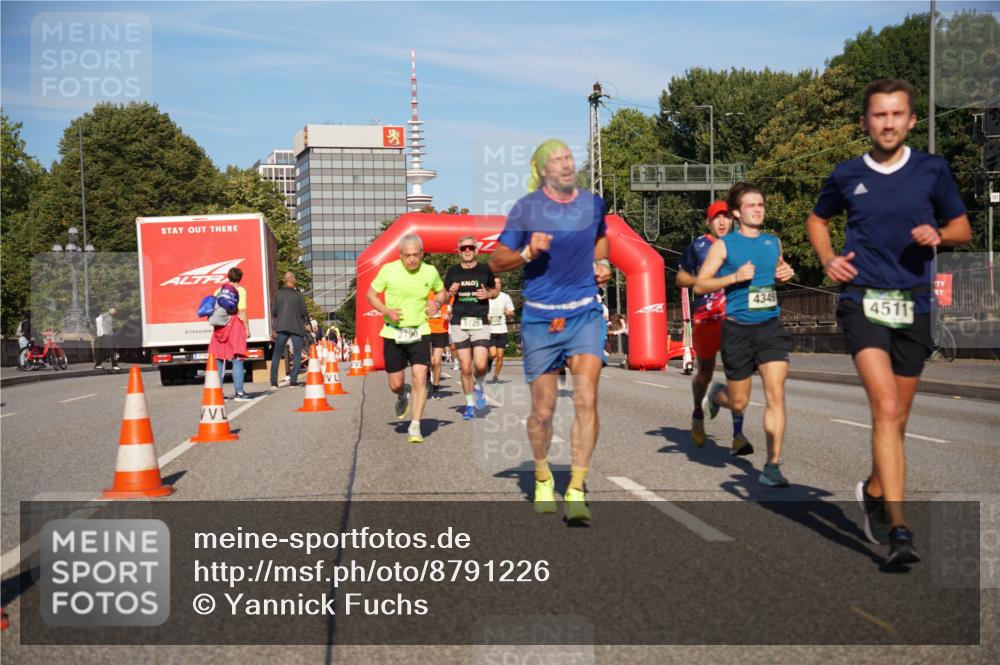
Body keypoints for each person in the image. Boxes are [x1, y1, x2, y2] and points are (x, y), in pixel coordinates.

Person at [806, 79, 971, 565]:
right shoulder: (847, 174)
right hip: (863, 300)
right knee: (884, 407)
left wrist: (938, 234)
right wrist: (828, 259)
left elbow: (962, 227)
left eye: (897, 114)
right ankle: (900, 529)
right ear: (865, 122)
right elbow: (817, 220)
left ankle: (876, 490)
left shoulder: (931, 170)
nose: (889, 123)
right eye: (879, 115)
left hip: (915, 304)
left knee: (897, 419)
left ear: (912, 120)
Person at [489, 139, 611, 523]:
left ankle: (576, 488)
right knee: (543, 411)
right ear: (543, 171)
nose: (566, 164)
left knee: (586, 399)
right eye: (557, 160)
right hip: (542, 319)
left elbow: (601, 236)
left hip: (584, 313)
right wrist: (527, 252)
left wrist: (603, 262)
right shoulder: (526, 210)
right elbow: (495, 261)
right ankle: (543, 476)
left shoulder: (593, 204)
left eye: (568, 158)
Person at [695, 183, 795, 487]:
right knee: (738, 403)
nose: (758, 209)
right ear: (737, 213)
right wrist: (734, 277)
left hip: (770, 326)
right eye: (751, 205)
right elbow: (700, 285)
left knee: (776, 395)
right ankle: (717, 395)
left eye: (761, 204)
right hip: (737, 329)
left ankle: (772, 466)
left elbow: (779, 272)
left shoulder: (772, 242)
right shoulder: (724, 246)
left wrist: (785, 274)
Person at [367, 234, 448, 444]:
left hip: (420, 330)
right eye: (407, 255)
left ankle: (415, 425)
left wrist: (437, 303)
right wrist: (386, 310)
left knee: (420, 375)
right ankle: (403, 395)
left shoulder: (430, 271)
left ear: (422, 254)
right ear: (400, 255)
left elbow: (442, 292)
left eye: (415, 255)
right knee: (395, 384)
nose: (412, 259)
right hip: (393, 332)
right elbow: (371, 295)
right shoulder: (388, 270)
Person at [676, 200, 744, 450]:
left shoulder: (742, 244)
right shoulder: (698, 246)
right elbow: (680, 277)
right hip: (706, 318)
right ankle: (698, 412)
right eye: (717, 217)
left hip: (734, 317)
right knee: (705, 372)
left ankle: (738, 435)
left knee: (737, 376)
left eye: (727, 217)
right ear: (709, 222)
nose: (723, 222)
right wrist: (699, 280)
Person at [445, 236, 499, 420]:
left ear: (476, 250)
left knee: (481, 365)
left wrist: (488, 294)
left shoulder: (485, 269)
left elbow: (495, 291)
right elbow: (445, 296)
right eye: (463, 248)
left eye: (470, 248)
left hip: (480, 321)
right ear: (459, 251)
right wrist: (450, 292)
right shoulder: (453, 271)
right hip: (459, 322)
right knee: (466, 368)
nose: (467, 251)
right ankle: (469, 404)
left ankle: (478, 385)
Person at [209, 268, 251, 401]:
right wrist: (247, 328)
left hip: (220, 327)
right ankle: (239, 393)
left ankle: (218, 393)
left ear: (228, 277)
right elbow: (242, 311)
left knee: (219, 359)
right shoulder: (241, 291)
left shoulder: (219, 290)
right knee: (237, 358)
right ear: (240, 278)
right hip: (234, 325)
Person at [270, 271, 309, 388]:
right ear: (294, 280)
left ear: (284, 280)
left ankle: (273, 382)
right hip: (297, 327)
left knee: (277, 354)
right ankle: (293, 381)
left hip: (282, 326)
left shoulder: (278, 294)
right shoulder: (298, 295)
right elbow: (304, 312)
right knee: (297, 353)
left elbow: (274, 311)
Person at [487, 284, 516, 383]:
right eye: (495, 284)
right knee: (493, 354)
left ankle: (495, 376)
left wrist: (509, 313)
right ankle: (489, 360)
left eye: (499, 284)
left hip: (502, 330)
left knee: (500, 356)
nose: (497, 286)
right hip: (490, 330)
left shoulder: (505, 297)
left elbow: (512, 313)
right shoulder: (486, 296)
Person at [427, 290, 452, 399]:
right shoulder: (424, 290)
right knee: (427, 361)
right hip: (425, 329)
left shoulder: (446, 293)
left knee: (436, 362)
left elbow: (452, 307)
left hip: (441, 330)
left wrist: (450, 314)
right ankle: (428, 380)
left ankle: (435, 387)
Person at [94, 307, 120, 371]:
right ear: (109, 310)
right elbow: (98, 319)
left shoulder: (111, 317)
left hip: (109, 335)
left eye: (114, 310)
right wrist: (100, 332)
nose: (113, 311)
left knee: (104, 352)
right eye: (112, 310)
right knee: (111, 351)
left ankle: (97, 365)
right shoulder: (105, 315)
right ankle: (114, 365)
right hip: (105, 335)